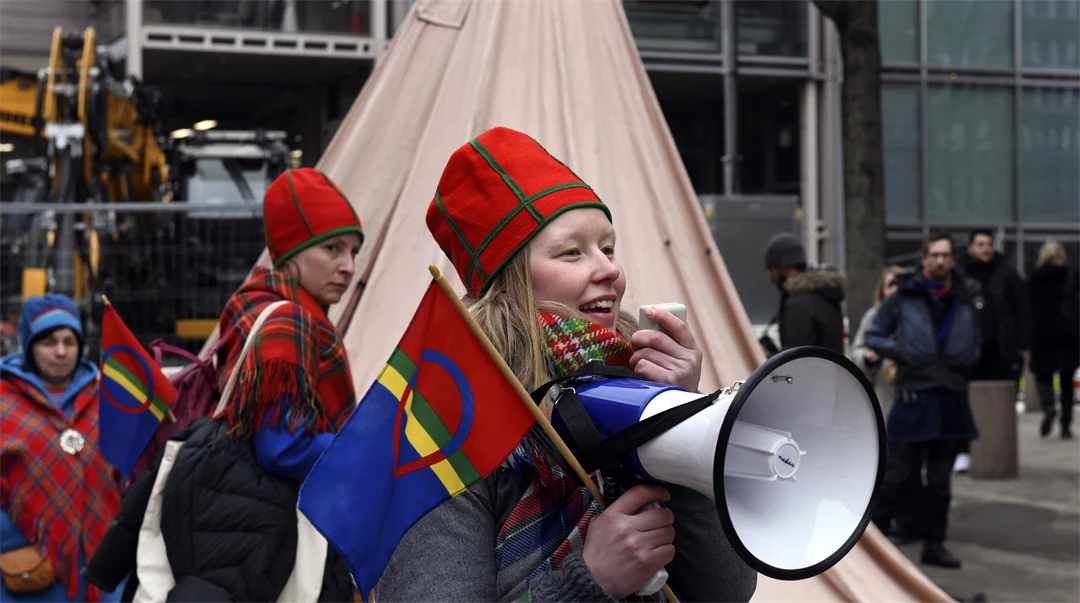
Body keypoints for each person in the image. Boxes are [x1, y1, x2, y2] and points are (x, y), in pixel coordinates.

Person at [375, 127, 757, 603]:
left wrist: (680, 416)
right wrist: (590, 581)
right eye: (572, 252)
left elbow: (726, 591)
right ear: (510, 282)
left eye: (608, 248)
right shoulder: (445, 425)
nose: (610, 270)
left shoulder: (635, 382)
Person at [84, 168, 362, 602]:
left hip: (227, 513)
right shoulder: (288, 322)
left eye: (353, 252)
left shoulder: (254, 304)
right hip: (267, 524)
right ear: (291, 251)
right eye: (332, 249)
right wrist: (361, 449)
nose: (348, 266)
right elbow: (281, 446)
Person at [867, 231, 981, 570]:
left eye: (946, 255)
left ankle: (935, 544)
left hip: (951, 395)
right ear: (924, 259)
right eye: (935, 255)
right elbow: (874, 334)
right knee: (896, 473)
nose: (941, 261)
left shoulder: (966, 294)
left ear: (953, 259)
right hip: (914, 394)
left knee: (941, 481)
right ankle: (872, 546)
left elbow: (977, 338)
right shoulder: (905, 295)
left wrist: (970, 355)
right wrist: (902, 351)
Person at [0, 294, 125, 603]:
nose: (60, 352)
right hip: (29, 567)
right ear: (29, 346)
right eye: (48, 342)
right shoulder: (4, 402)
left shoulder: (108, 398)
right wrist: (11, 537)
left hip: (104, 567)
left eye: (69, 342)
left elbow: (129, 471)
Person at [954, 229, 1030, 471]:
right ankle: (963, 451)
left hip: (1000, 351)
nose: (986, 249)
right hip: (968, 352)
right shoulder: (960, 275)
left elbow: (1022, 310)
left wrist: (1020, 344)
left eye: (988, 244)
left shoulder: (1007, 275)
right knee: (964, 403)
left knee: (1000, 404)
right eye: (980, 244)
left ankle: (997, 452)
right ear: (970, 247)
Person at [1027, 241, 1079, 439]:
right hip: (1068, 334)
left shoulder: (1035, 279)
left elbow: (1027, 307)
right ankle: (1066, 425)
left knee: (1043, 376)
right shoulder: (1070, 276)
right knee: (1067, 381)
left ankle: (1048, 405)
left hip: (1043, 334)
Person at [761, 232, 846, 355]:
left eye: (772, 270)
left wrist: (771, 357)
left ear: (783, 267)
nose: (772, 278)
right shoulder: (824, 294)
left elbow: (798, 359)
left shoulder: (798, 305)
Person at [849, 265, 907, 419]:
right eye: (890, 286)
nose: (894, 290)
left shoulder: (917, 315)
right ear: (882, 291)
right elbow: (855, 353)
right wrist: (867, 358)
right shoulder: (873, 316)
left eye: (898, 285)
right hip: (882, 393)